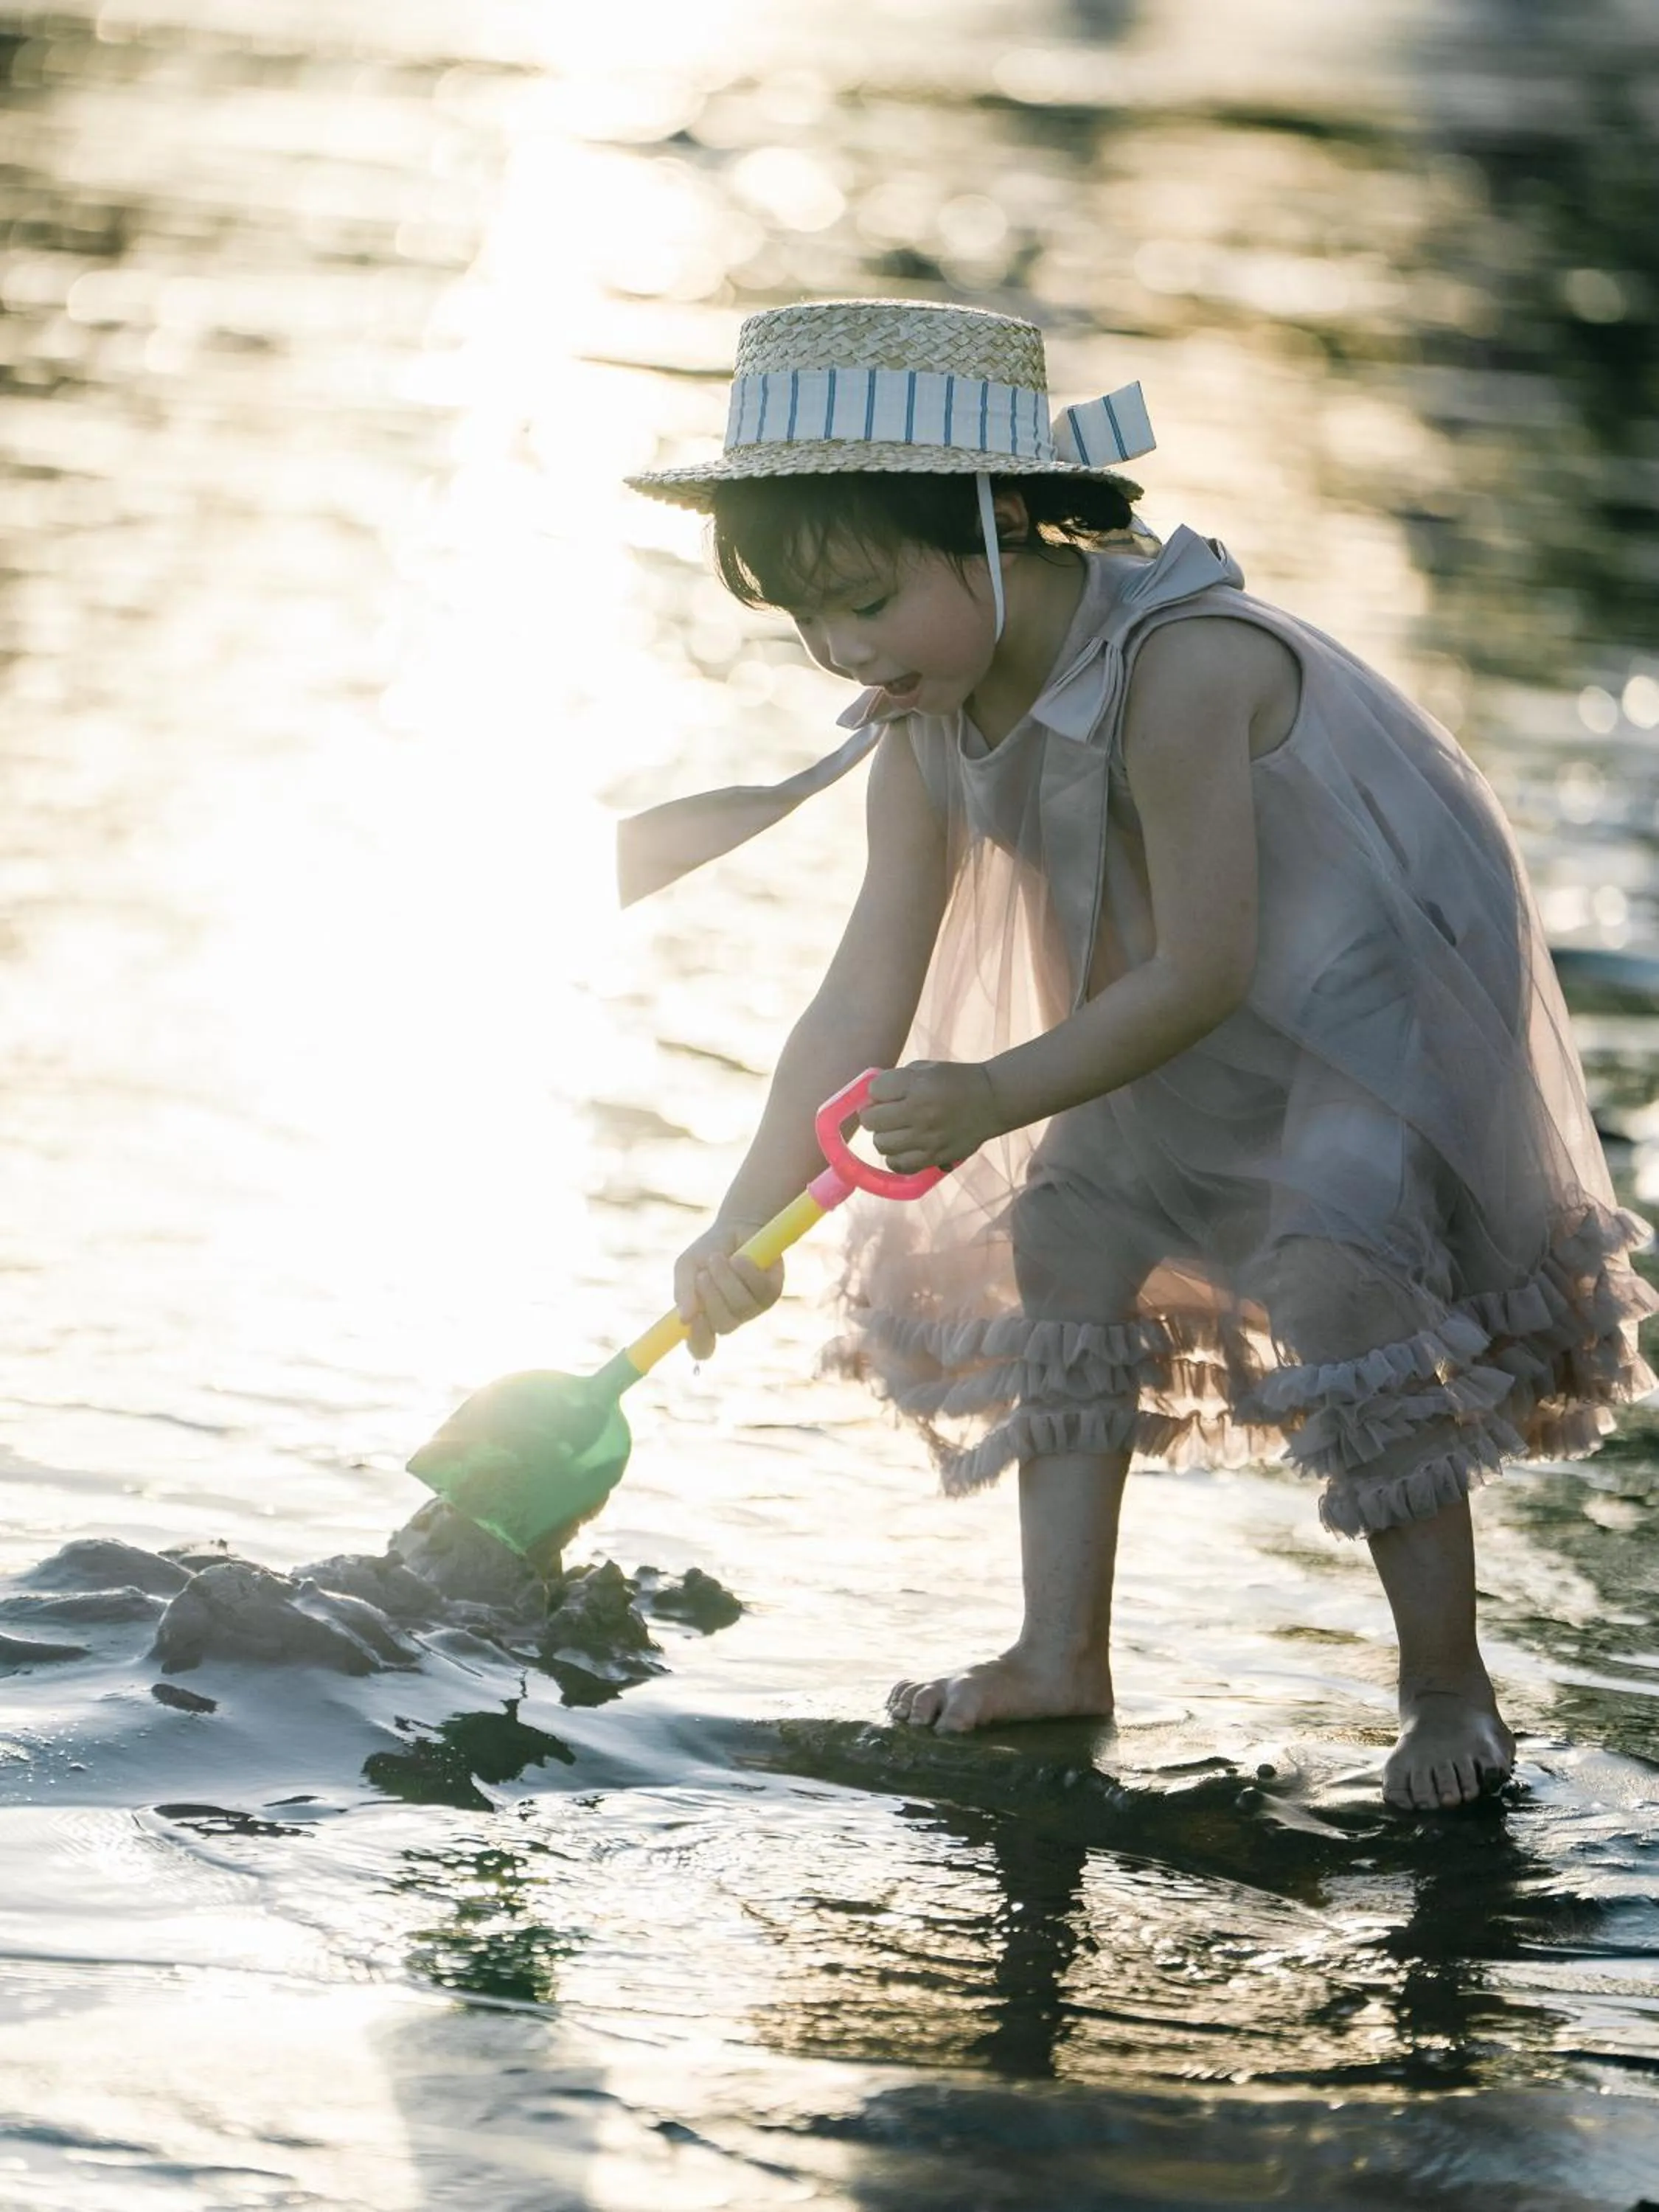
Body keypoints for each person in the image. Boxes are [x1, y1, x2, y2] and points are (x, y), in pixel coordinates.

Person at [621, 297, 1658, 1812]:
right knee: (1068, 1221)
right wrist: (738, 1220)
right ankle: (1060, 1653)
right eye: (806, 620)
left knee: (1334, 1263)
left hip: (1366, 1010)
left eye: (862, 598)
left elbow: (1209, 962)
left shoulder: (1184, 668)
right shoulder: (915, 729)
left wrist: (988, 1096)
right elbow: (857, 1001)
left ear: (1001, 523)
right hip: (1164, 1014)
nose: (840, 648)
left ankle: (1447, 1684)